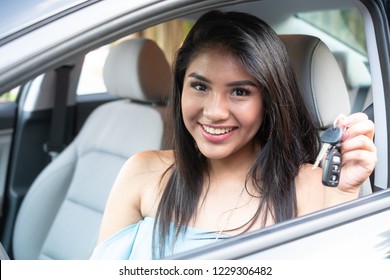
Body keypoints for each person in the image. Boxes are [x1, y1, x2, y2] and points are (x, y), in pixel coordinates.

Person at [90, 10, 377, 260]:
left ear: (269, 101)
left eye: (240, 92)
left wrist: (343, 196)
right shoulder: (143, 172)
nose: (215, 111)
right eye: (200, 87)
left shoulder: (316, 186)